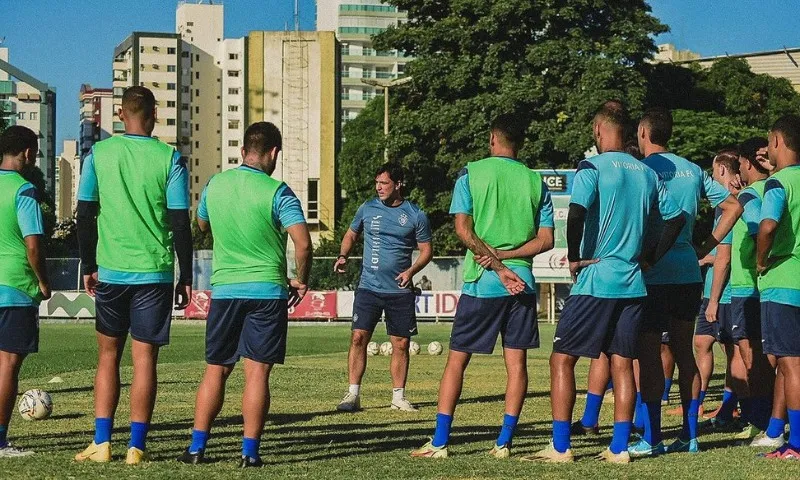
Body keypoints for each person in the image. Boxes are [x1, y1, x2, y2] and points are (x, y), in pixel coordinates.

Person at [530, 102, 684, 464]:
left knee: (561, 360)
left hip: (597, 279)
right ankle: (618, 449)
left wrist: (573, 259)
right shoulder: (647, 173)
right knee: (622, 362)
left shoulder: (592, 166)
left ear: (599, 131)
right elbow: (675, 220)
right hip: (633, 283)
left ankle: (561, 446)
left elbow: (579, 211)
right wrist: (650, 257)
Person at [411, 113, 554, 459]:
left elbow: (463, 229)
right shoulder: (537, 182)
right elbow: (546, 240)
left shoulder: (471, 173)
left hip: (483, 283)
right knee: (517, 366)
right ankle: (504, 443)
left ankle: (440, 442)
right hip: (523, 285)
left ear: (492, 138)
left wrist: (495, 262)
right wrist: (511, 257)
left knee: (457, 361)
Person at [177, 122, 312, 467]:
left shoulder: (214, 185)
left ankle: (196, 449)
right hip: (267, 291)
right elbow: (303, 244)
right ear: (274, 153)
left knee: (215, 370)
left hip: (225, 291)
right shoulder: (278, 192)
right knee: (257, 373)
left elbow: (202, 224)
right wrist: (301, 279)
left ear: (242, 152)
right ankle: (249, 453)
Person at [75, 86, 193, 464]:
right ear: (154, 114)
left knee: (108, 357)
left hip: (111, 270)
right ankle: (136, 447)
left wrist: (89, 265)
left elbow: (84, 214)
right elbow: (180, 221)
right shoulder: (170, 157)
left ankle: (102, 442)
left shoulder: (99, 153)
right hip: (154, 274)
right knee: (145, 362)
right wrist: (185, 274)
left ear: (121, 115)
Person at [630, 107, 742, 457]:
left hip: (652, 271)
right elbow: (733, 207)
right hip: (687, 272)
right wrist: (706, 244)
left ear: (644, 134)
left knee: (648, 355)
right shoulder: (692, 169)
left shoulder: (641, 169)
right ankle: (689, 435)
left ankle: (652, 437)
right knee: (684, 353)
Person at [335, 163, 432, 412]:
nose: (379, 187)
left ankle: (398, 398)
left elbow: (426, 251)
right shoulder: (367, 208)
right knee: (358, 337)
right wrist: (343, 255)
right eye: (377, 182)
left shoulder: (415, 214)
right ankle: (352, 395)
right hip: (368, 287)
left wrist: (411, 272)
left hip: (399, 291)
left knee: (400, 343)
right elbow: (350, 234)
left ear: (398, 184)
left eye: (384, 183)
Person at [0, 126, 50, 457]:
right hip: (14, 287)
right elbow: (33, 245)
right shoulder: (24, 191)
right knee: (7, 364)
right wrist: (44, 282)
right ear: (28, 153)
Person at [734, 138, 784, 448]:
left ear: (750, 163)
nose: (739, 170)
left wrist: (762, 259)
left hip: (752, 286)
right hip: (763, 286)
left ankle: (761, 421)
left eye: (740, 164)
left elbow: (757, 228)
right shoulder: (775, 186)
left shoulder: (752, 194)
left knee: (755, 358)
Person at [757, 114, 800, 460]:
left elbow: (768, 225)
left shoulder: (778, 183)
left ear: (776, 141)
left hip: (784, 280)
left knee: (789, 365)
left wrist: (760, 259)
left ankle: (796, 443)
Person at [695, 150, 746, 431]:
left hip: (725, 294)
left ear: (723, 171)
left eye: (713, 171)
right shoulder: (722, 206)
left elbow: (726, 257)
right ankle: (701, 401)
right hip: (713, 291)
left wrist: (714, 300)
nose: (711, 176)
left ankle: (731, 408)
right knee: (702, 343)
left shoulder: (735, 204)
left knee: (733, 350)